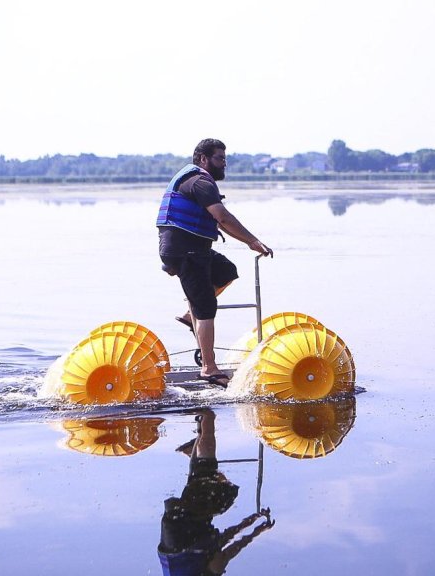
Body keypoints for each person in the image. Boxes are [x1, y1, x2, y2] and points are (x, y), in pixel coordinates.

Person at [158, 138, 273, 388]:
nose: (224, 164)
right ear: (203, 159)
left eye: (225, 159)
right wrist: (253, 241)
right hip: (186, 251)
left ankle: (192, 315)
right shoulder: (200, 181)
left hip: (194, 249)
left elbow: (219, 222)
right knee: (207, 307)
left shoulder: (197, 180)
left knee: (225, 271)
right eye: (220, 158)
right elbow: (222, 217)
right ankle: (209, 368)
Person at [157, 409, 274, 576]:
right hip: (173, 533)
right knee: (200, 481)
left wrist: (255, 531)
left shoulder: (206, 571)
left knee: (220, 489)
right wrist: (253, 524)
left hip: (184, 539)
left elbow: (226, 554)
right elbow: (224, 540)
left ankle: (207, 417)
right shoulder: (198, 564)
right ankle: (195, 444)